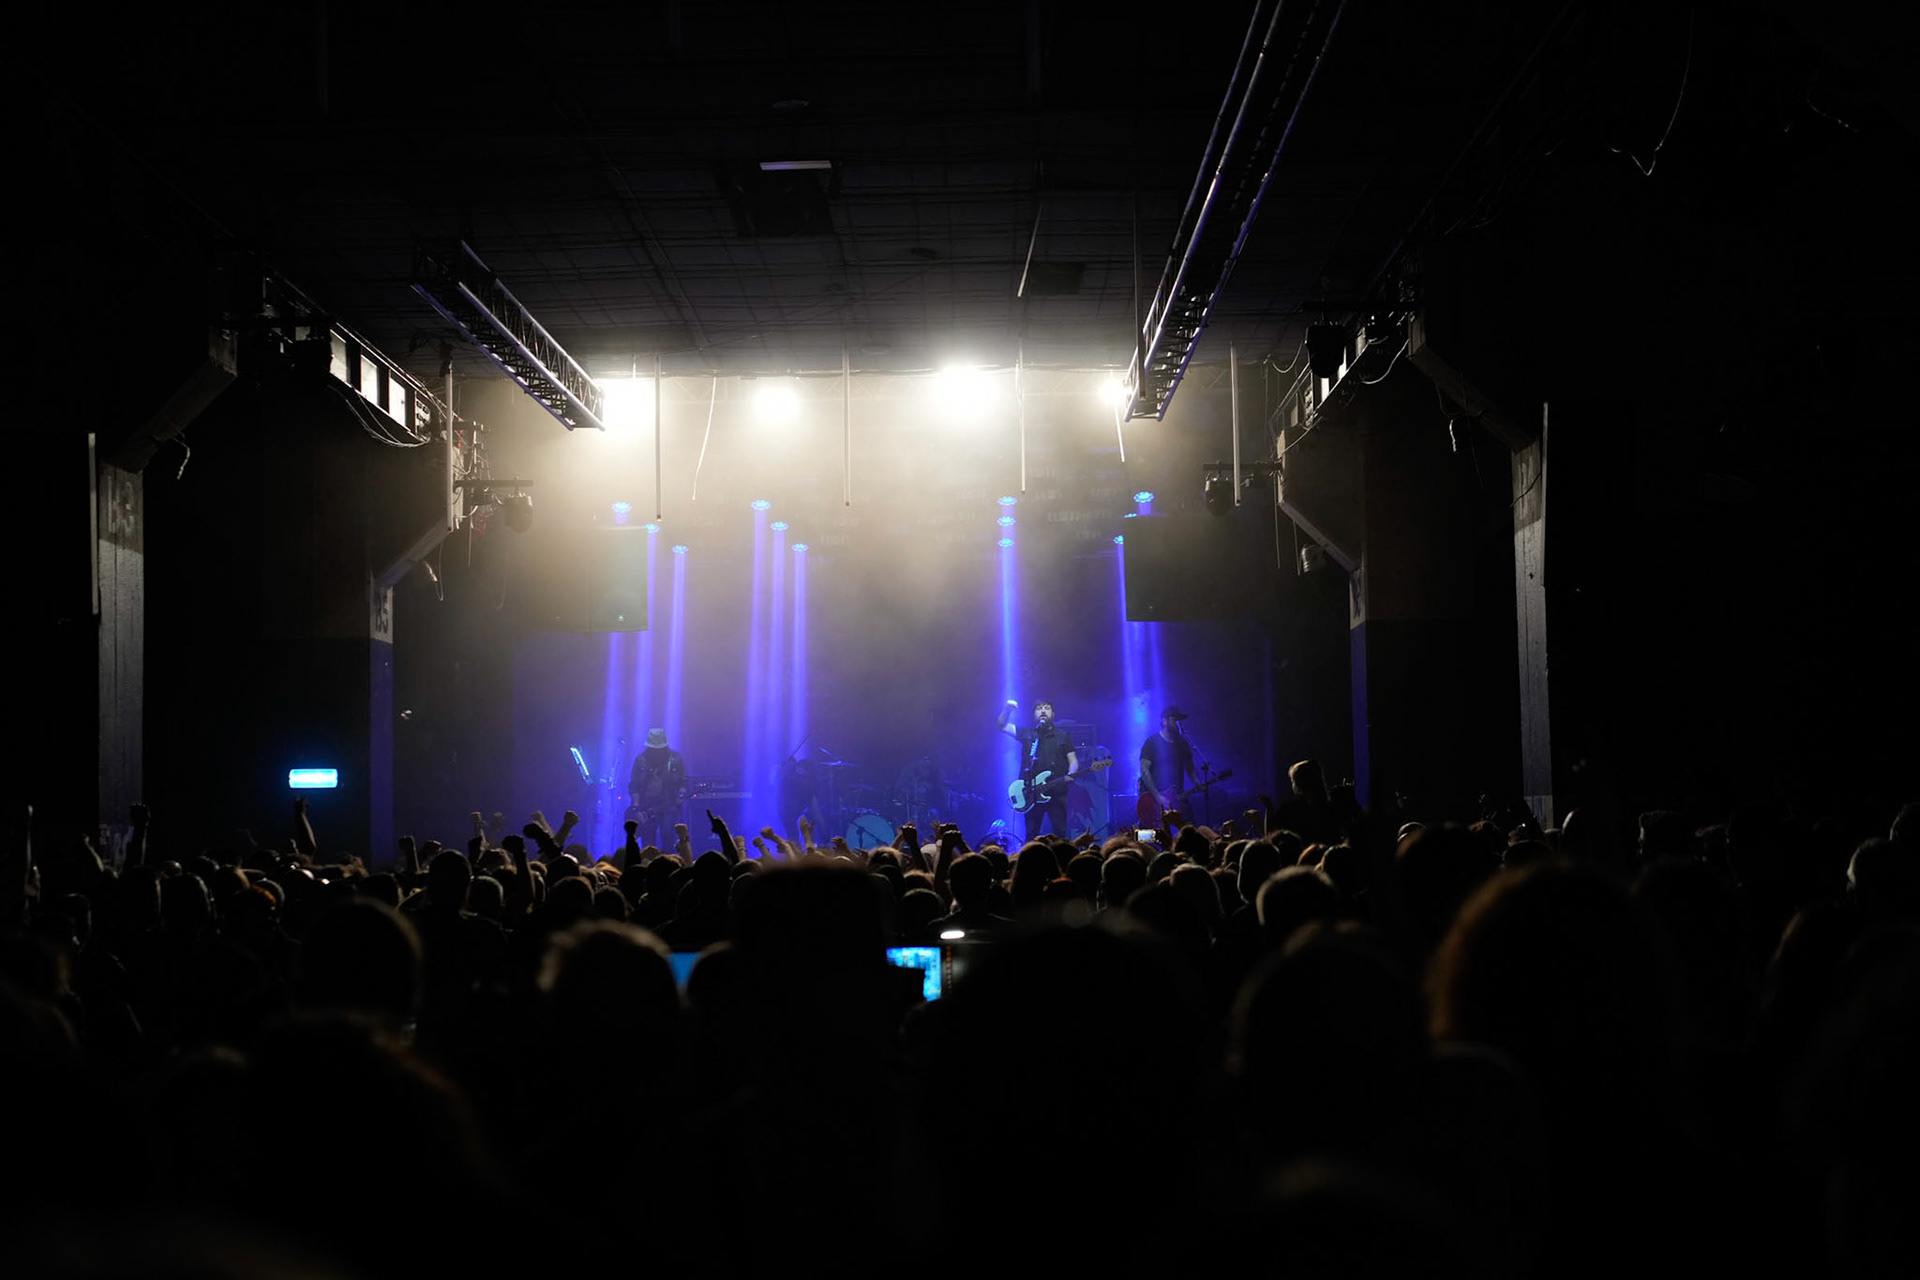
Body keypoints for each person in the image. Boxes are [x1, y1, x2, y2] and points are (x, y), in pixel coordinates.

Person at [998, 698, 1078, 842]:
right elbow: (1002, 726)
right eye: (1039, 708)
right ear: (1034, 714)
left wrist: (1071, 773)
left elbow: (1073, 761)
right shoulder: (1027, 733)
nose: (1042, 711)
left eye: (1046, 708)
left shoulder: (1063, 736)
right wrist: (1007, 709)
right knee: (1031, 834)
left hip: (1057, 792)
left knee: (1060, 833)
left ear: (1053, 714)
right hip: (1031, 793)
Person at [626, 728, 687, 853]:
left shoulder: (676, 759)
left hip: (668, 806)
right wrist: (636, 807)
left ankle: (669, 864)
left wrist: (681, 794)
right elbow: (634, 785)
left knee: (667, 835)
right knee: (648, 841)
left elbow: (683, 782)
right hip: (646, 807)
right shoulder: (640, 760)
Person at [1138, 706, 1196, 826]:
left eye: (1180, 720)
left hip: (1178, 795)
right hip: (1156, 798)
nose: (1178, 723)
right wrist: (1158, 796)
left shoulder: (1182, 743)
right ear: (1164, 721)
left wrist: (1197, 782)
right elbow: (1144, 770)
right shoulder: (1152, 742)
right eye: (1175, 720)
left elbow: (1190, 767)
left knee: (1189, 827)